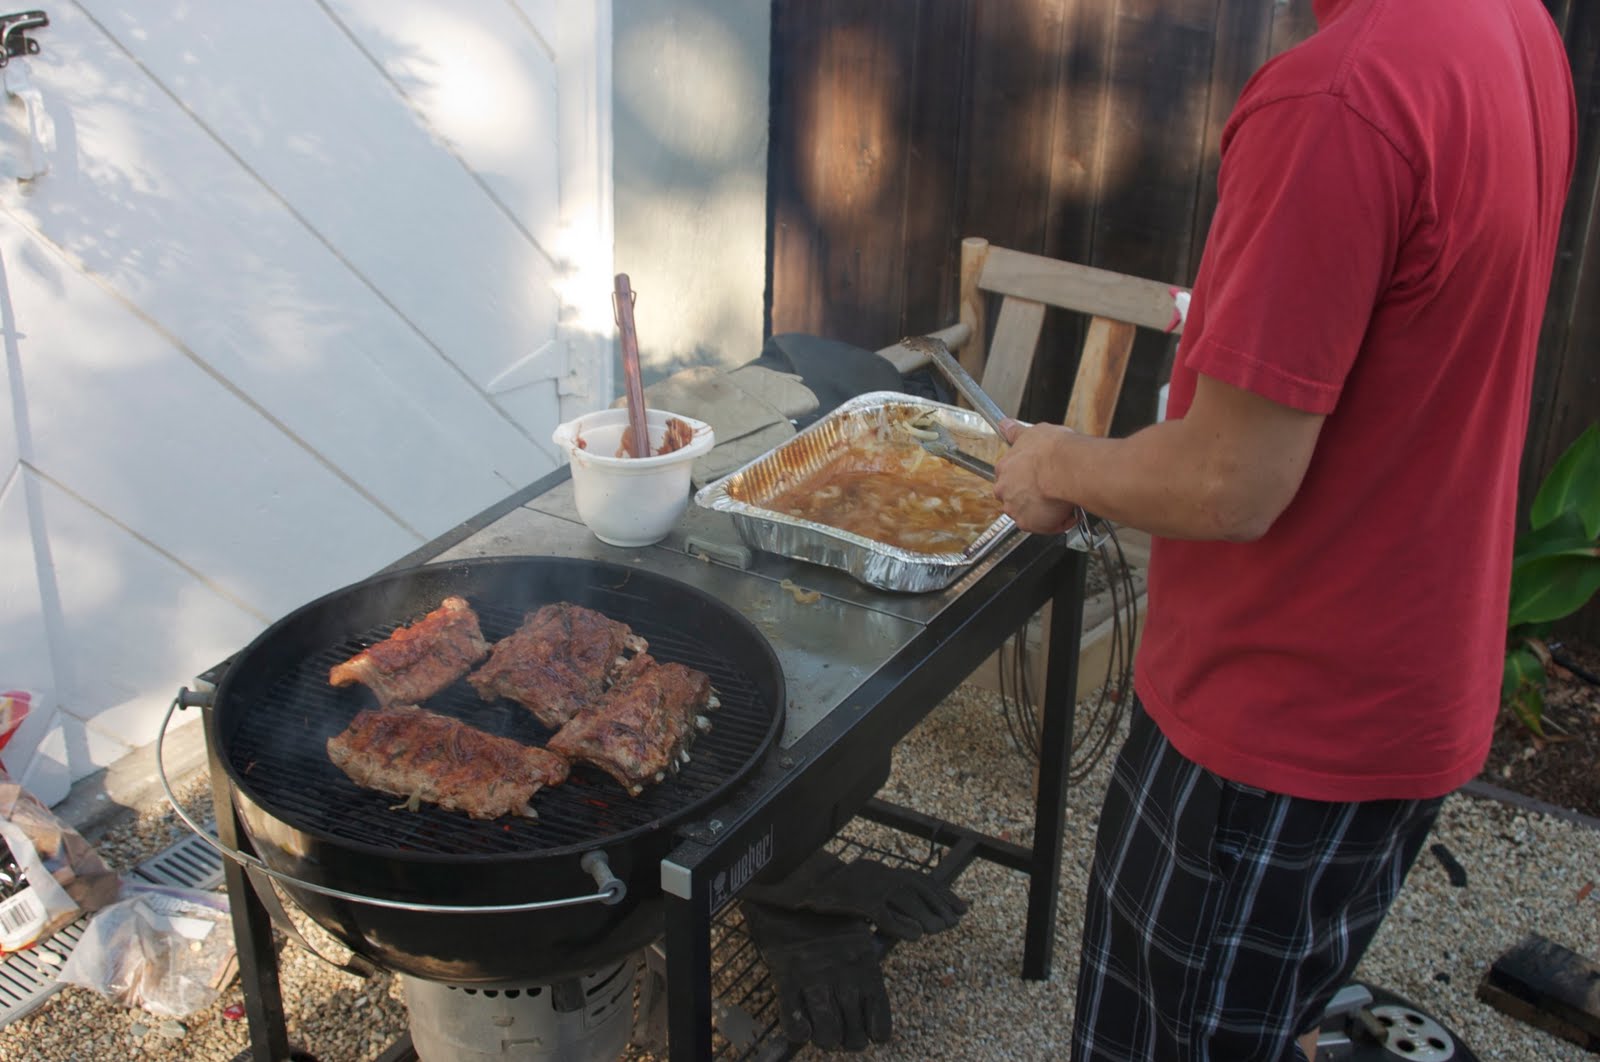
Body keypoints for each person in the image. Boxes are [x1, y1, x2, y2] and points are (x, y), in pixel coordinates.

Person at [991, 0, 1577, 1059]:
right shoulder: (1512, 24)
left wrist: (1057, 463)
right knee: (1273, 1016)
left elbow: (1229, 482)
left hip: (1273, 726)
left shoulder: (1338, 99)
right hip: (1406, 697)